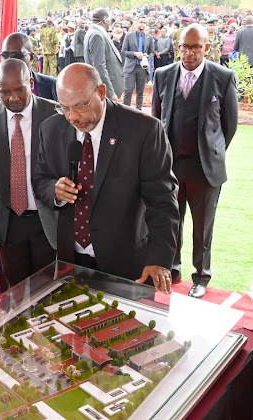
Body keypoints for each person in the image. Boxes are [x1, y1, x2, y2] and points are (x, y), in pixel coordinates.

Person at [33, 64, 178, 292]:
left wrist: (159, 258)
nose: (72, 117)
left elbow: (162, 201)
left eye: (80, 106)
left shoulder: (144, 130)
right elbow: (40, 179)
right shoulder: (50, 129)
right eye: (64, 108)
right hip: (70, 261)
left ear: (101, 92)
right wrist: (54, 190)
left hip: (127, 263)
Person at [151, 24, 238, 299]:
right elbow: (156, 121)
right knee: (170, 221)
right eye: (184, 47)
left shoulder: (223, 77)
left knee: (203, 227)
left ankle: (201, 277)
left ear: (207, 47)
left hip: (204, 169)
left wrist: (211, 152)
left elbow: (229, 125)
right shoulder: (163, 75)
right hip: (170, 167)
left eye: (195, 47)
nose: (189, 53)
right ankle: (172, 268)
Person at [0, 59, 57, 287]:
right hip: (8, 224)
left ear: (30, 82)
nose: (13, 98)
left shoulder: (55, 114)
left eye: (20, 89)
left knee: (48, 288)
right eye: (5, 92)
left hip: (47, 222)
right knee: (13, 291)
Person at [0, 33, 57, 121]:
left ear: (31, 57)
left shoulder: (53, 86)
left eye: (17, 55)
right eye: (5, 55)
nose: (10, 59)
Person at [83, 9, 124, 99]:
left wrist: (116, 41)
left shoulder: (94, 32)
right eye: (110, 19)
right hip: (106, 90)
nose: (110, 22)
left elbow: (107, 53)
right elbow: (99, 66)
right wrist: (110, 92)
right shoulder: (97, 35)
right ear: (105, 19)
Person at [121, 17, 155, 110]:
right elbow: (123, 51)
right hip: (130, 67)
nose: (142, 24)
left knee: (140, 92)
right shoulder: (129, 36)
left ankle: (138, 111)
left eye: (144, 22)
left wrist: (146, 57)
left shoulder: (149, 37)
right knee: (128, 90)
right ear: (136, 23)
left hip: (143, 68)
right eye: (140, 22)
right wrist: (135, 54)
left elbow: (152, 52)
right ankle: (125, 111)